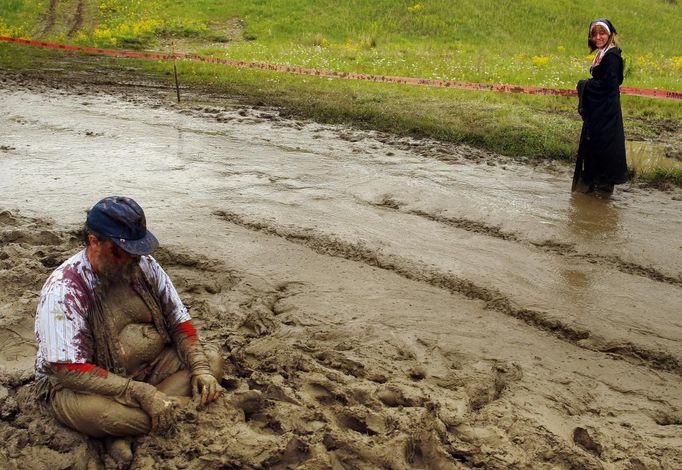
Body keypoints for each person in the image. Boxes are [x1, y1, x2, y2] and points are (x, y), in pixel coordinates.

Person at [34, 196, 224, 465]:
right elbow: (68, 370)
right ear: (94, 241)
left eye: (137, 249)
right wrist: (140, 393)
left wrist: (201, 368)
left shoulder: (144, 266)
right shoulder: (65, 289)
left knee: (211, 361)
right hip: (85, 389)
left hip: (150, 370)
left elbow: (179, 322)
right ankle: (150, 416)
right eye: (120, 251)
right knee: (101, 416)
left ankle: (129, 428)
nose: (131, 258)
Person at [574, 18, 629, 195]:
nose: (598, 37)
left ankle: (602, 188)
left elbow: (610, 84)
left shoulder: (611, 55)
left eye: (602, 33)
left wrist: (585, 85)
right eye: (594, 34)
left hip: (606, 111)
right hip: (601, 108)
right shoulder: (603, 53)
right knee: (598, 144)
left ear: (610, 34)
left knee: (604, 145)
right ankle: (598, 188)